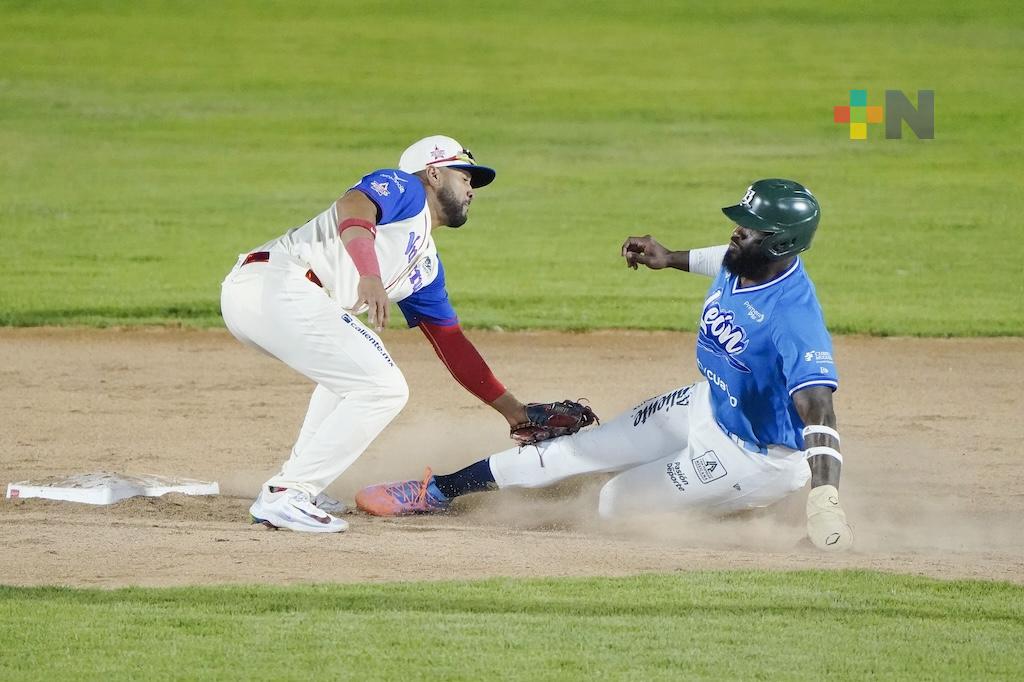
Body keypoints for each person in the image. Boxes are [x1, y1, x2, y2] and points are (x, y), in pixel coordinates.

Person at [355, 179, 854, 551]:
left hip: (755, 455)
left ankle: (746, 505)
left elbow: (820, 413)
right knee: (580, 450)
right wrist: (669, 257)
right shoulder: (745, 258)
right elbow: (719, 257)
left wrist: (824, 496)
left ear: (782, 244)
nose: (735, 232)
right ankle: (438, 490)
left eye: (749, 228)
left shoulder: (794, 320)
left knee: (615, 502)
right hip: (710, 404)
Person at [220, 135, 534, 533]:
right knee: (384, 387)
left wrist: (516, 413)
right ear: (434, 173)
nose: (471, 188)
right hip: (275, 284)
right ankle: (287, 493)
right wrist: (369, 274)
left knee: (351, 378)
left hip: (279, 300)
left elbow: (453, 345)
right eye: (464, 175)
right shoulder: (406, 189)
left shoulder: (427, 265)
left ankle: (300, 485)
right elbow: (352, 205)